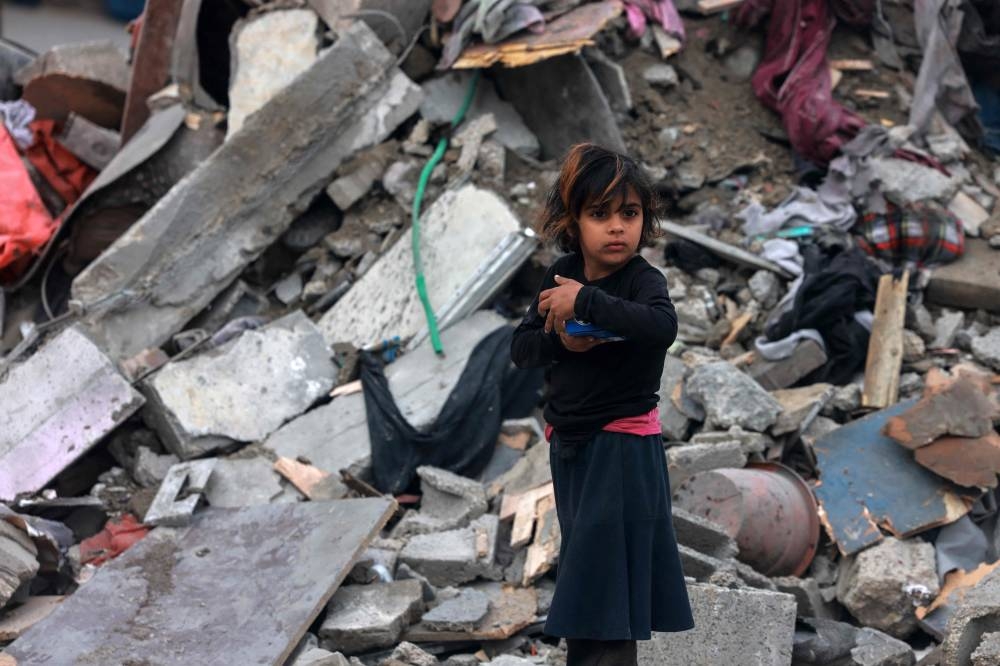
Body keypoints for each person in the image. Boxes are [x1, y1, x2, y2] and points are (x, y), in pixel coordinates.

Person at [510, 143, 694, 665]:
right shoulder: (560, 275)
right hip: (571, 451)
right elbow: (521, 348)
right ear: (573, 221)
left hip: (622, 449)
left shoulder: (641, 281)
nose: (617, 227)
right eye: (600, 214)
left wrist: (586, 303)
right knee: (591, 581)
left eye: (630, 213)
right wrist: (563, 341)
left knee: (609, 589)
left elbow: (662, 328)